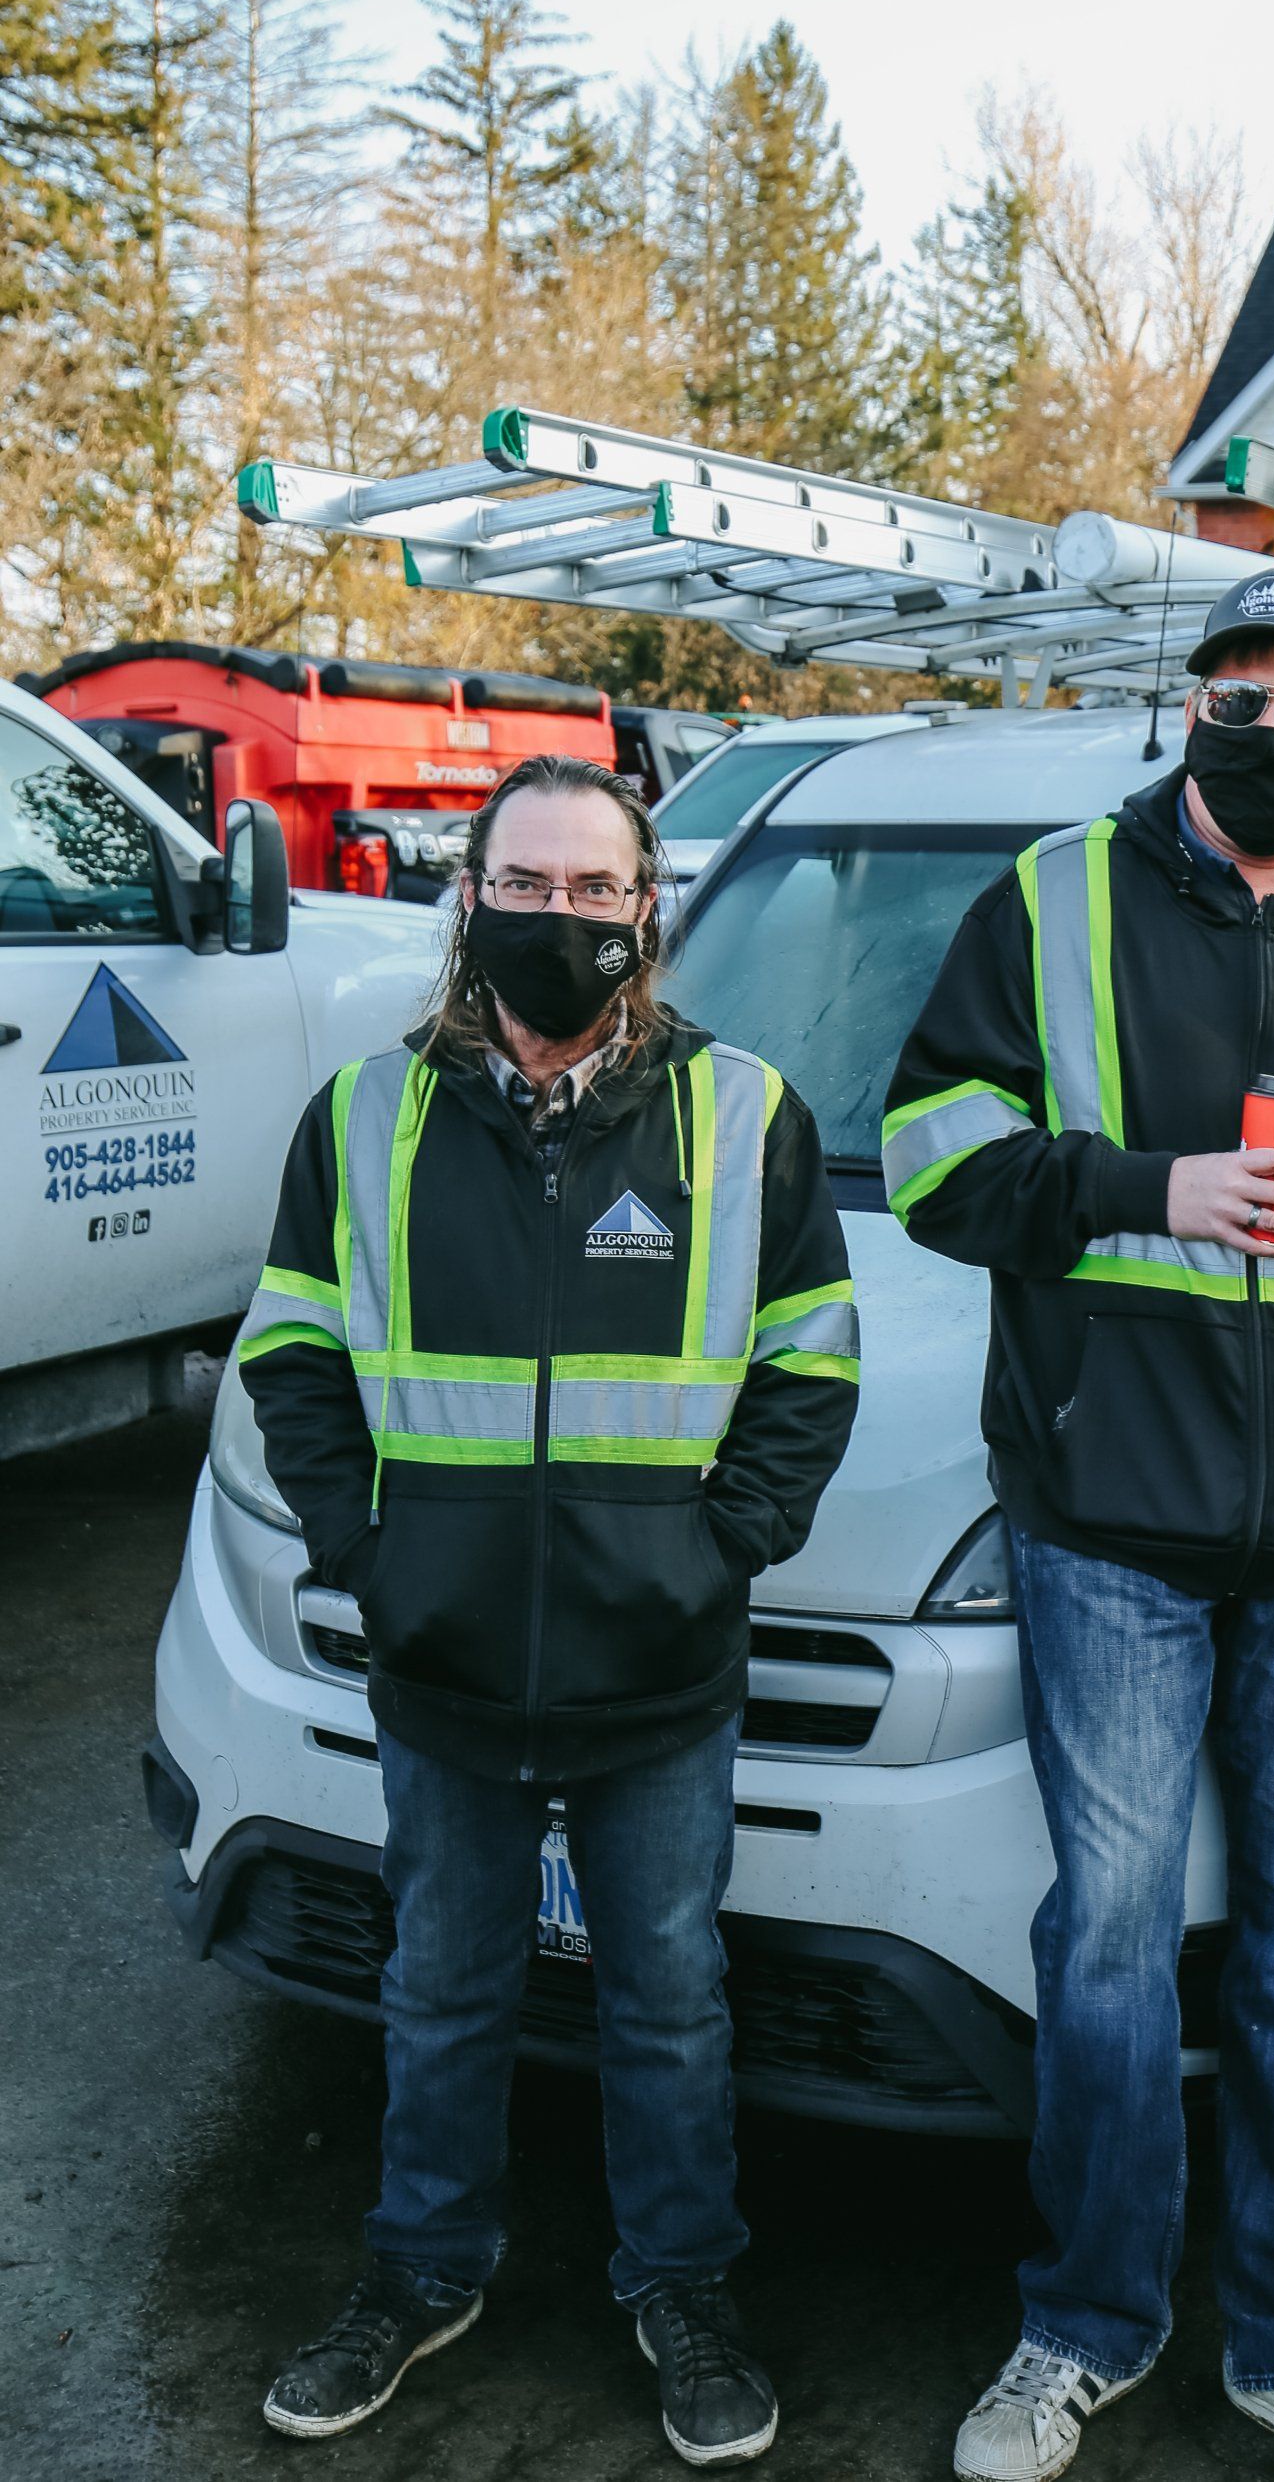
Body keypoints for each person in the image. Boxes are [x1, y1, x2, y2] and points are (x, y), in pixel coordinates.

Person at [883, 569, 1274, 2482]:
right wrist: (1154, 1182)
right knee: (1110, 1944)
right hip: (1109, 1526)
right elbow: (924, 1155)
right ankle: (1085, 2324)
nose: (1270, 727)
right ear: (1190, 708)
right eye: (1237, 692)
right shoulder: (1050, 900)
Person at [238, 753, 858, 2468]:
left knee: (669, 1997)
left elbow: (813, 1363)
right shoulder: (366, 1117)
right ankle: (419, 2272)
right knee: (441, 1989)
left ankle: (682, 2282)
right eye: (531, 883)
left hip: (659, 1670)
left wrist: (714, 1549)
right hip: (443, 1664)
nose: (561, 917)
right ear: (473, 896)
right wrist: (374, 1549)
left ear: (645, 911)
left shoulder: (745, 1114)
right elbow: (291, 1344)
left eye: (597, 890)